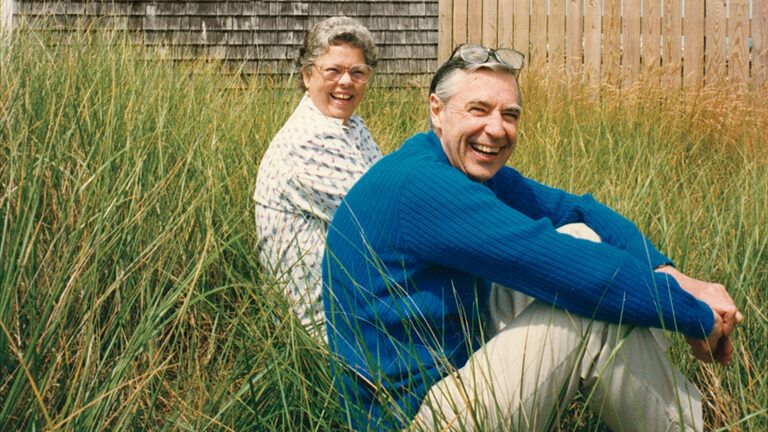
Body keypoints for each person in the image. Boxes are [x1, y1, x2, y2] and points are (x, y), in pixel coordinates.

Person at [321, 44, 743, 431]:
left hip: (454, 372)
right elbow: (584, 276)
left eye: (510, 115)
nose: (497, 129)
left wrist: (671, 274)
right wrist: (696, 317)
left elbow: (579, 210)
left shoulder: (459, 166)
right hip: (413, 419)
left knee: (581, 236)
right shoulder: (422, 185)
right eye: (479, 109)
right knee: (586, 306)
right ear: (437, 109)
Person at [253, 16, 382, 340]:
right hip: (332, 332)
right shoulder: (308, 140)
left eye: (357, 72)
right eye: (333, 71)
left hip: (359, 300)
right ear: (308, 76)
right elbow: (386, 222)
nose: (346, 82)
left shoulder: (349, 126)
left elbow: (386, 188)